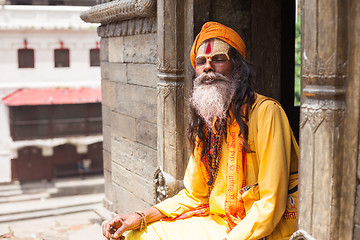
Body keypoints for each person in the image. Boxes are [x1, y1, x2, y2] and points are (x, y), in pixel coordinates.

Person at [102, 21, 298, 240]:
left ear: (238, 68)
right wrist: (141, 216)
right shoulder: (209, 121)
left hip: (255, 227)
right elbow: (195, 195)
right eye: (201, 61)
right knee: (140, 234)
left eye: (219, 59)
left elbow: (272, 202)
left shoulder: (266, 112)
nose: (208, 67)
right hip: (217, 221)